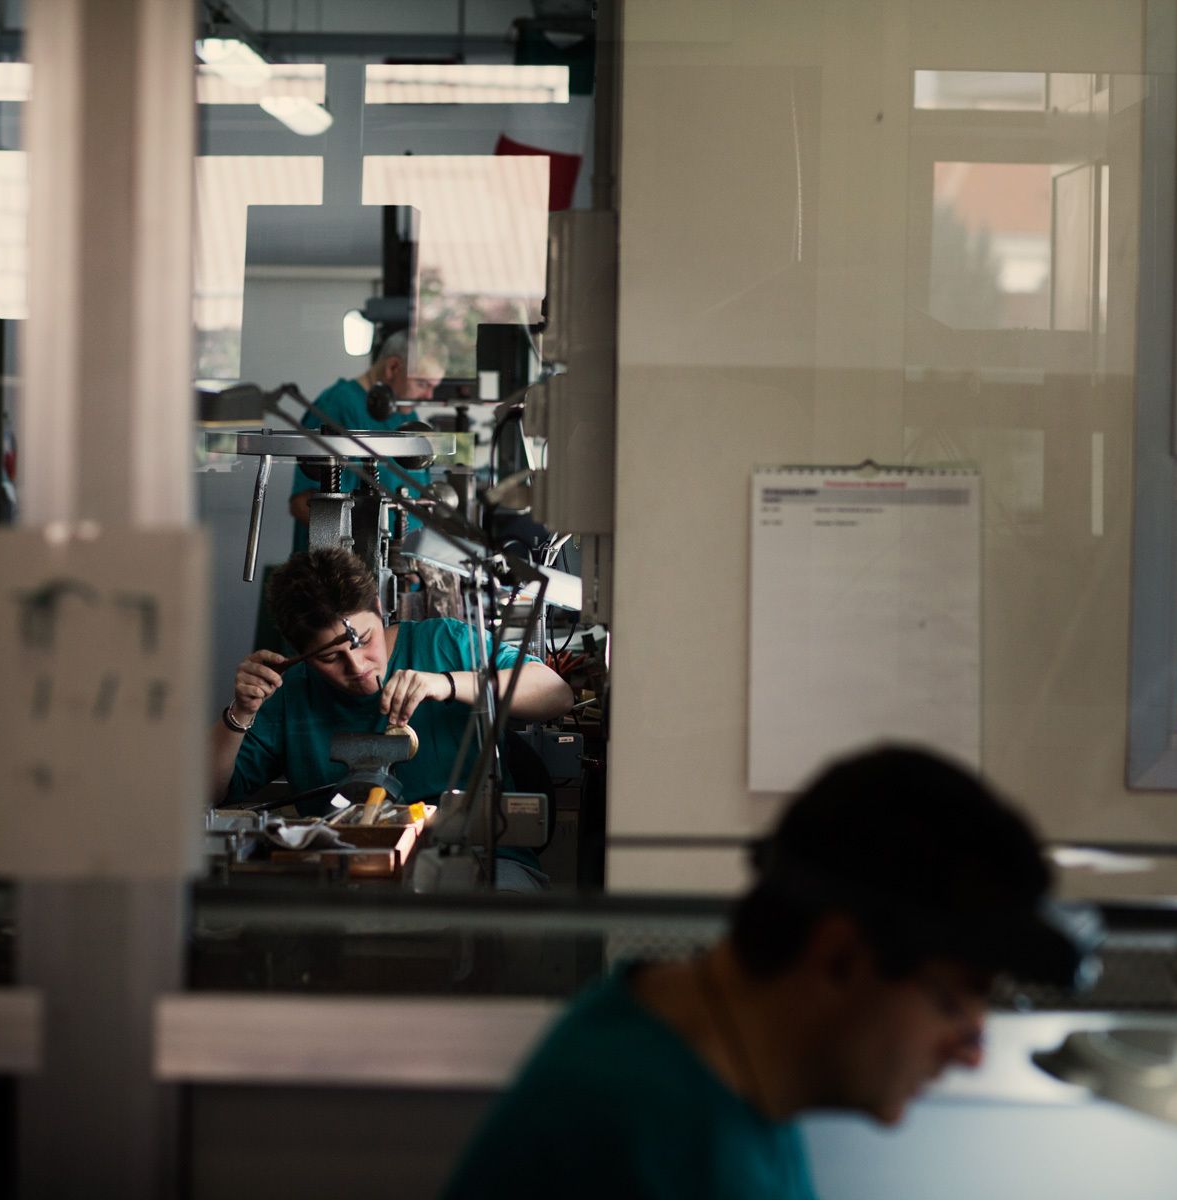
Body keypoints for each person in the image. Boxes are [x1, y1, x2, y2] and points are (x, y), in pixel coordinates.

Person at [442, 745, 1090, 1198]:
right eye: (958, 1001)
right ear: (840, 956)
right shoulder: (659, 1147)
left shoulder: (669, 1023)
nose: (974, 1051)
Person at [210, 548, 573, 888]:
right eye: (330, 659)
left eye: (363, 640)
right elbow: (206, 793)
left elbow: (556, 694)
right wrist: (240, 711)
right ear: (298, 654)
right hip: (350, 867)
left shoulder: (443, 643)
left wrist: (449, 683)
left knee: (497, 935)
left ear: (380, 608)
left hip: (484, 857)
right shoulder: (291, 693)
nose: (358, 667)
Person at [288, 328, 435, 554]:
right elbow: (303, 504)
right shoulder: (335, 407)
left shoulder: (406, 414)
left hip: (403, 568)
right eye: (423, 384)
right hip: (350, 572)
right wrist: (366, 548)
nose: (429, 397)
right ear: (393, 367)